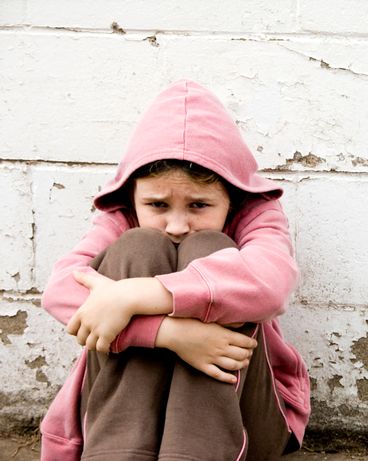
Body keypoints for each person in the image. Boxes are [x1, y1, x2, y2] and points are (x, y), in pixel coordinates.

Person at [40, 80, 310, 461]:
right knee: (139, 245)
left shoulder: (257, 216)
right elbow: (60, 290)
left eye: (199, 205)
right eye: (158, 205)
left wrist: (132, 296)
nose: (177, 224)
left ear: (232, 200)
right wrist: (170, 334)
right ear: (132, 196)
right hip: (118, 423)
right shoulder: (123, 220)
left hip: (245, 422)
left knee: (211, 248)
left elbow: (270, 284)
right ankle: (120, 452)